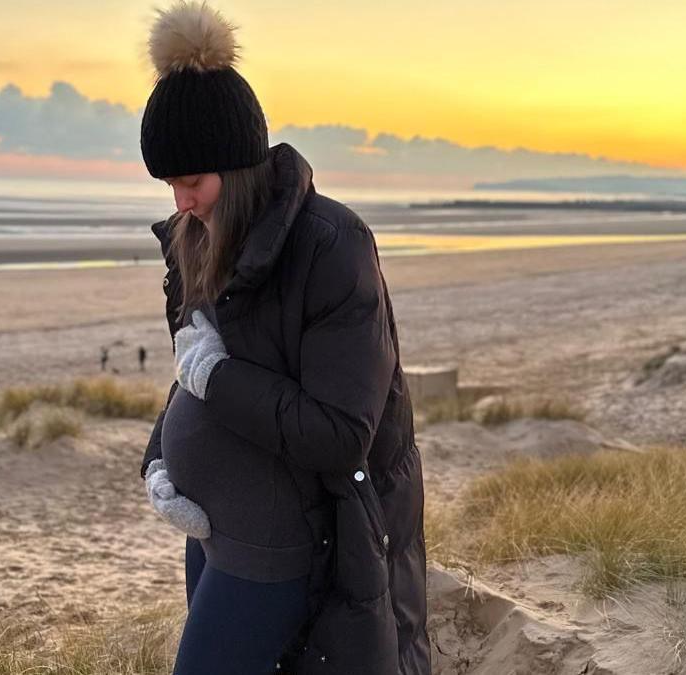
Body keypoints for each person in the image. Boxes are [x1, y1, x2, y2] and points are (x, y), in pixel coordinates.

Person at [137, 2, 430, 673]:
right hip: (211, 528)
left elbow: (337, 430)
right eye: (168, 184)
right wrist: (158, 459)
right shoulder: (194, 241)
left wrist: (220, 378)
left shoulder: (332, 247)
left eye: (192, 182)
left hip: (285, 542)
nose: (180, 202)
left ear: (235, 168)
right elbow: (191, 371)